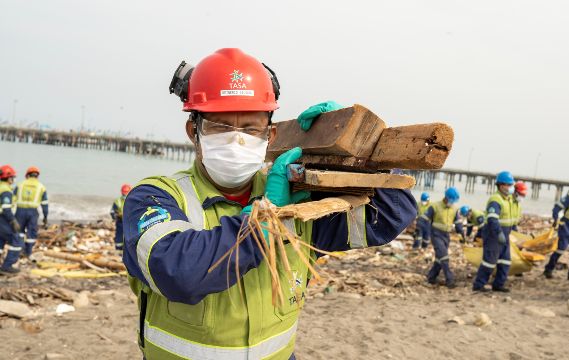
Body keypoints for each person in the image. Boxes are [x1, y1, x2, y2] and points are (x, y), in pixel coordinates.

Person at [121, 48, 416, 360]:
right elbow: (178, 273)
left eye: (250, 128)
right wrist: (265, 217)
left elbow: (390, 215)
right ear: (194, 131)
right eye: (220, 126)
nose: (236, 141)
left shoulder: (300, 202)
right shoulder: (155, 197)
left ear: (270, 135)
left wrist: (358, 152)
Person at [472, 171, 518, 293]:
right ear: (501, 185)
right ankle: (479, 284)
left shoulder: (508, 199)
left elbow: (509, 218)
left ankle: (498, 284)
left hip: (505, 233)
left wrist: (513, 229)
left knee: (505, 260)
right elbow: (492, 219)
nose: (511, 187)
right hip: (494, 233)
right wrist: (498, 233)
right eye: (509, 185)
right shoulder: (495, 199)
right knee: (489, 261)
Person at [424, 187, 463, 288]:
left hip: (447, 236)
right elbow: (424, 219)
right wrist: (424, 235)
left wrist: (461, 234)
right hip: (436, 234)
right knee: (444, 257)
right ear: (446, 197)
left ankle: (431, 277)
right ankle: (449, 280)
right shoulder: (435, 206)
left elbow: (458, 222)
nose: (452, 203)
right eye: (451, 200)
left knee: (439, 258)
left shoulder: (454, 209)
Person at [14, 166, 49, 260]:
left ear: (27, 175)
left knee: (19, 231)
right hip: (33, 212)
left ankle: (19, 249)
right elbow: (45, 204)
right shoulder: (41, 187)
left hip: (20, 211)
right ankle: (28, 252)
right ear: (37, 176)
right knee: (31, 233)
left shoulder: (20, 184)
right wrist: (45, 217)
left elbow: (12, 199)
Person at [0, 165, 23, 274]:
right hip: (3, 219)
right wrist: (13, 221)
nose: (13, 180)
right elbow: (6, 209)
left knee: (0, 241)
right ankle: (7, 266)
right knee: (17, 241)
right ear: (8, 178)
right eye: (12, 177)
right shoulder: (6, 191)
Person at [110, 184, 131, 251]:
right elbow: (112, 211)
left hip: (129, 221)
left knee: (129, 236)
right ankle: (118, 248)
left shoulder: (132, 200)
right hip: (120, 221)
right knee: (119, 235)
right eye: (124, 192)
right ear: (122, 192)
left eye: (126, 192)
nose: (125, 194)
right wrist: (114, 218)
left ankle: (128, 249)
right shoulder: (118, 201)